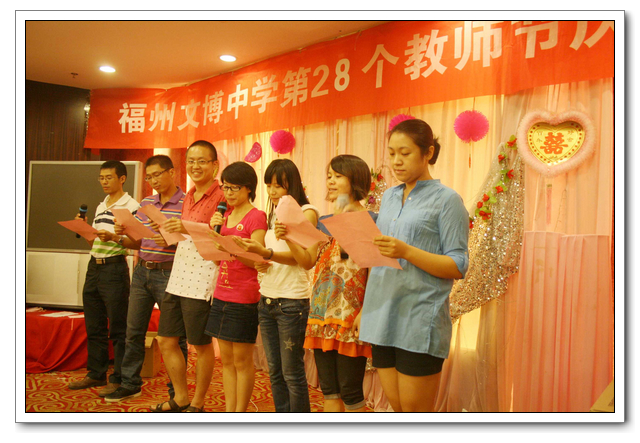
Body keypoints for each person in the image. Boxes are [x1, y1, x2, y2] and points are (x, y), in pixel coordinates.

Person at [355, 118, 469, 412]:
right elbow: (380, 258)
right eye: (392, 153)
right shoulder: (390, 197)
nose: (396, 161)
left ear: (428, 152)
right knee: (398, 410)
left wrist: (406, 251)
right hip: (382, 316)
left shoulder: (447, 200)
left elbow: (458, 265)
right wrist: (365, 308)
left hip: (419, 320)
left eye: (405, 153)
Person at [276, 154, 373, 412]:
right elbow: (307, 261)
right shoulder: (324, 221)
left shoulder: (368, 219)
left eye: (338, 176)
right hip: (321, 313)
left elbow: (375, 270)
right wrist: (289, 239)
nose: (330, 181)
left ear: (355, 180)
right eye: (329, 175)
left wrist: (365, 311)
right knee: (329, 390)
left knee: (350, 392)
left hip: (350, 315)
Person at [232, 159, 318, 412]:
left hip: (291, 302)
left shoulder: (307, 212)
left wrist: (269, 252)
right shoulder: (272, 214)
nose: (272, 191)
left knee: (292, 372)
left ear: (293, 184)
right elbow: (273, 255)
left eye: (278, 186)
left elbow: (305, 260)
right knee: (275, 372)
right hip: (267, 299)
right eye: (269, 185)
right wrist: (261, 261)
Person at [105, 155, 189, 402]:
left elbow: (192, 244)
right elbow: (139, 241)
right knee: (133, 331)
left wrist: (171, 240)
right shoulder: (146, 202)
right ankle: (130, 383)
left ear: (171, 172)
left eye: (157, 175)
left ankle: (177, 391)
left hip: (169, 272)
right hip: (142, 271)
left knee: (175, 336)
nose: (153, 181)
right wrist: (123, 233)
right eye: (149, 177)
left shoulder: (186, 203)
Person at [151, 140, 225, 413]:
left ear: (215, 165)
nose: (195, 166)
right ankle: (180, 397)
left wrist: (185, 227)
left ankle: (198, 402)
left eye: (201, 161)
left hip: (203, 276)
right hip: (178, 274)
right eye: (191, 161)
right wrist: (167, 234)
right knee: (166, 339)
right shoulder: (188, 195)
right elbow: (187, 236)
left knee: (200, 344)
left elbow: (220, 237)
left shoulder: (222, 196)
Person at [68, 160, 139, 397]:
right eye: (101, 178)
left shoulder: (131, 206)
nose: (104, 182)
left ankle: (119, 378)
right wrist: (84, 230)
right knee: (94, 324)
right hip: (94, 266)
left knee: (118, 327)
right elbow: (94, 243)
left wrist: (115, 238)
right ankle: (96, 373)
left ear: (122, 179)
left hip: (114, 268)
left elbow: (137, 242)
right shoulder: (101, 205)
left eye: (109, 177)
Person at [207, 161, 268, 412]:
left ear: (248, 188)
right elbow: (216, 260)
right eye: (225, 187)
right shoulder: (224, 217)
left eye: (234, 188)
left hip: (244, 296)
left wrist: (229, 247)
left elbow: (258, 260)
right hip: (221, 293)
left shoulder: (257, 216)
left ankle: (240, 413)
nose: (228, 193)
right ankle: (228, 411)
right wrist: (213, 237)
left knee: (242, 361)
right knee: (226, 360)